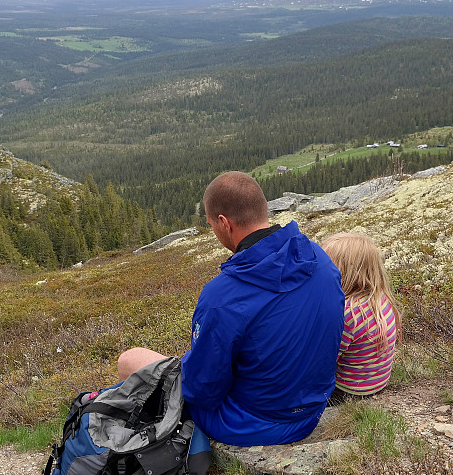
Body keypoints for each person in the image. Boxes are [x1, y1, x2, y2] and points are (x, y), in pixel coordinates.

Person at [118, 171, 344, 446]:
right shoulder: (320, 260)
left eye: (211, 223)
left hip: (251, 423)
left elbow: (202, 392)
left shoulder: (222, 295)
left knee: (130, 360)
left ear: (224, 223)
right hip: (312, 412)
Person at [320, 232, 401, 404]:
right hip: (375, 382)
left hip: (348, 391)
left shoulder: (348, 313)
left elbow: (325, 361)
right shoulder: (379, 297)